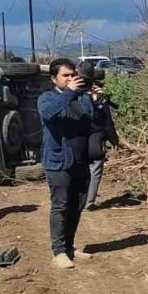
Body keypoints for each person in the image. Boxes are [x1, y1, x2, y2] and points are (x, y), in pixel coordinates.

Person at [40, 58, 97, 269]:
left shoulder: (81, 98)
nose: (71, 79)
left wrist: (96, 101)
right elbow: (48, 113)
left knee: (76, 206)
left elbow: (92, 121)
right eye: (65, 75)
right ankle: (58, 251)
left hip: (81, 160)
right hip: (58, 161)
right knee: (61, 206)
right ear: (54, 78)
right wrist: (70, 92)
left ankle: (70, 247)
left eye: (73, 75)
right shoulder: (47, 98)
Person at [84, 91, 119, 211]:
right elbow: (108, 124)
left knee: (80, 172)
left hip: (78, 142)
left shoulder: (74, 97)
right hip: (96, 142)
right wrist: (114, 141)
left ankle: (78, 200)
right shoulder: (101, 101)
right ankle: (88, 202)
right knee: (95, 172)